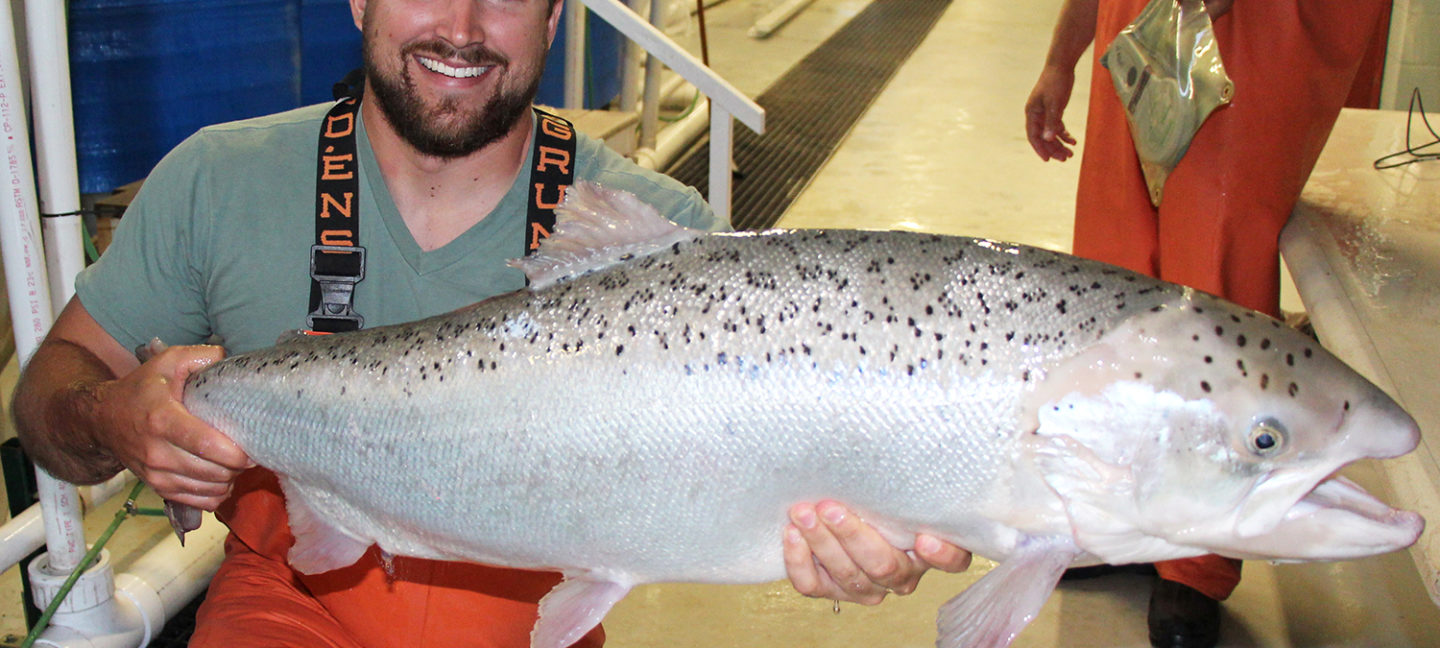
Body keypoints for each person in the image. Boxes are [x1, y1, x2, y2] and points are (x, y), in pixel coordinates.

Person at [11, 1, 971, 646]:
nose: (463, 27)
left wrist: (844, 536)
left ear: (554, 16)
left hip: (533, 625)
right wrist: (108, 418)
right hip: (289, 608)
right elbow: (48, 394)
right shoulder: (217, 182)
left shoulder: (669, 250)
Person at [1024, 1, 1389, 647]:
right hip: (1138, 29)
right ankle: (1116, 514)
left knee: (1216, 274)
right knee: (1115, 275)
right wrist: (1060, 60)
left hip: (1248, 40)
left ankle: (1198, 557)